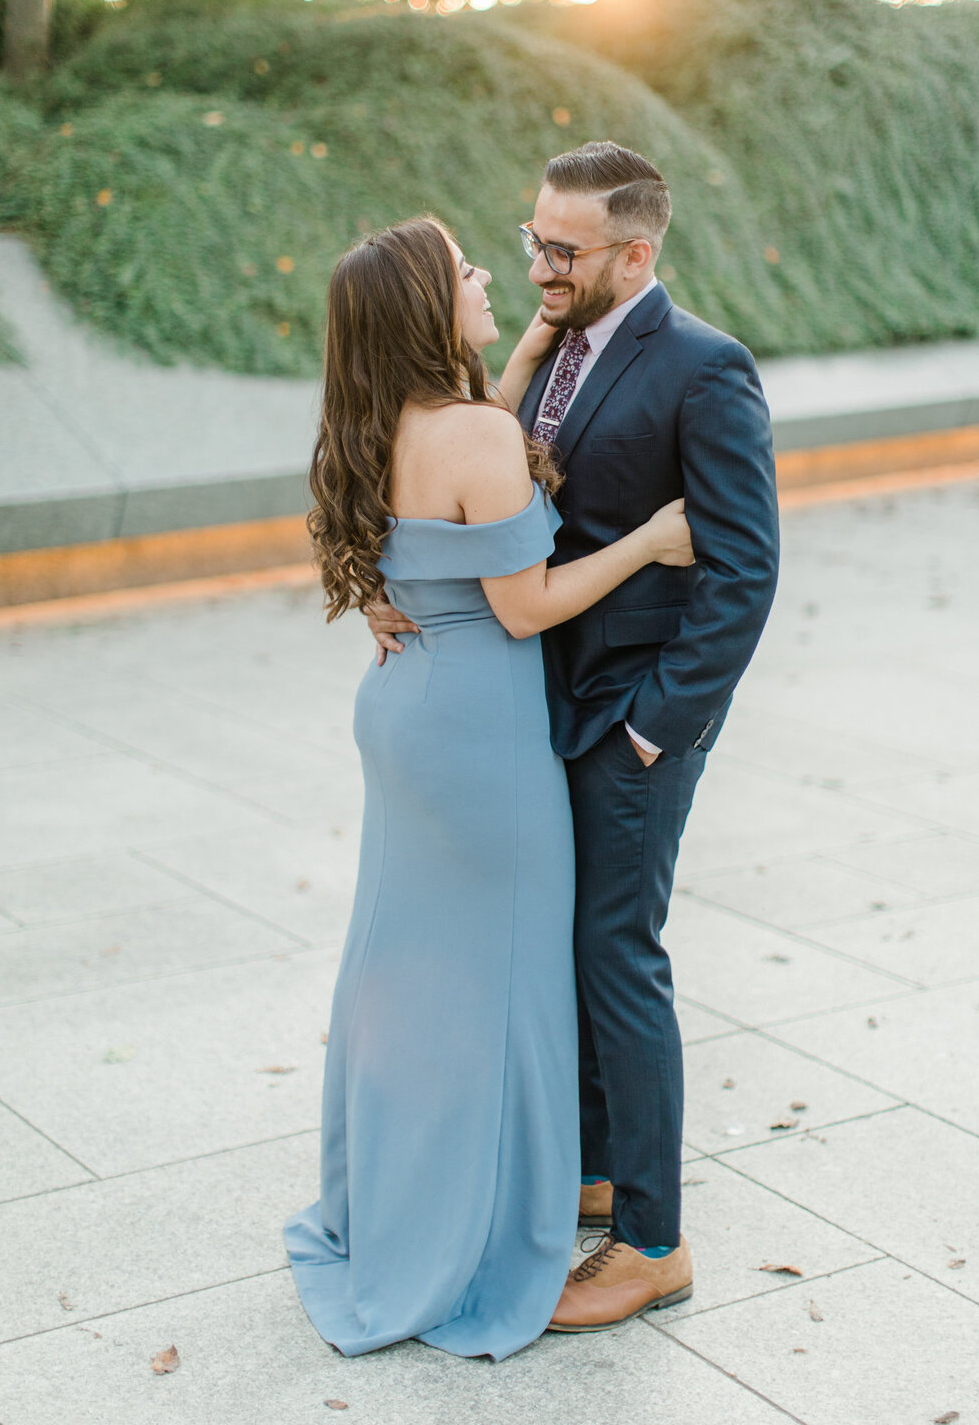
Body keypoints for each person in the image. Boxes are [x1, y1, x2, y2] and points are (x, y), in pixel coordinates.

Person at [369, 144, 780, 1331]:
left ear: (635, 253)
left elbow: (744, 571)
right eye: (531, 242)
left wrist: (657, 732)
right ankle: (596, 1168)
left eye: (565, 251)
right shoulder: (543, 357)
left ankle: (652, 1239)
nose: (539, 267)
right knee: (564, 947)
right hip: (539, 710)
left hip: (631, 722)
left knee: (617, 953)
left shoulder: (705, 368)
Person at [284, 215, 694, 1360]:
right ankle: (488, 1217)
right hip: (480, 734)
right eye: (466, 270)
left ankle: (397, 1202)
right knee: (505, 980)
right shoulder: (472, 434)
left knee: (407, 969)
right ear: (426, 308)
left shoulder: (375, 422)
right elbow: (529, 604)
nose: (486, 280)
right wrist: (651, 539)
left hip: (404, 710)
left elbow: (464, 474)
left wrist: (511, 361)